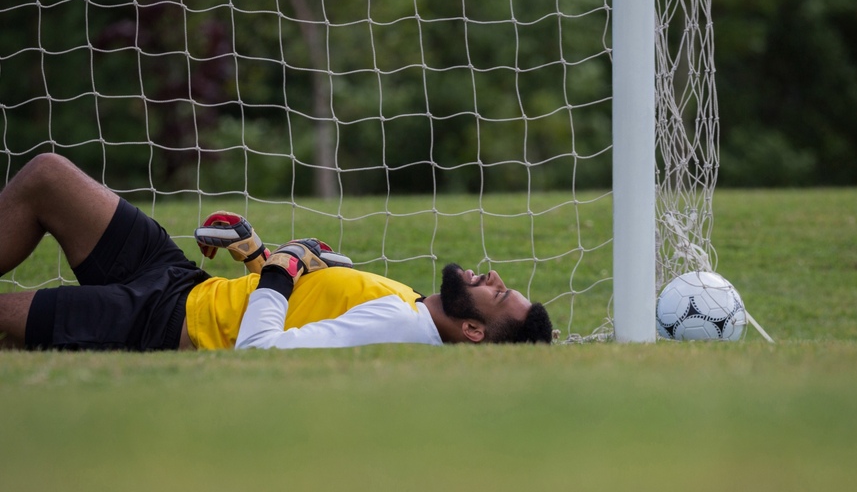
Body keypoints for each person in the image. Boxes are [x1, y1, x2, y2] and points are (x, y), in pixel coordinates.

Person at [0, 153, 553, 351]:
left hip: (162, 323)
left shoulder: (401, 330)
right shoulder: (411, 304)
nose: (494, 276)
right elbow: (295, 306)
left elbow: (261, 349)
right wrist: (258, 255)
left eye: (498, 293)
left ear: (475, 331)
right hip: (186, 282)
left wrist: (284, 267)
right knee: (49, 176)